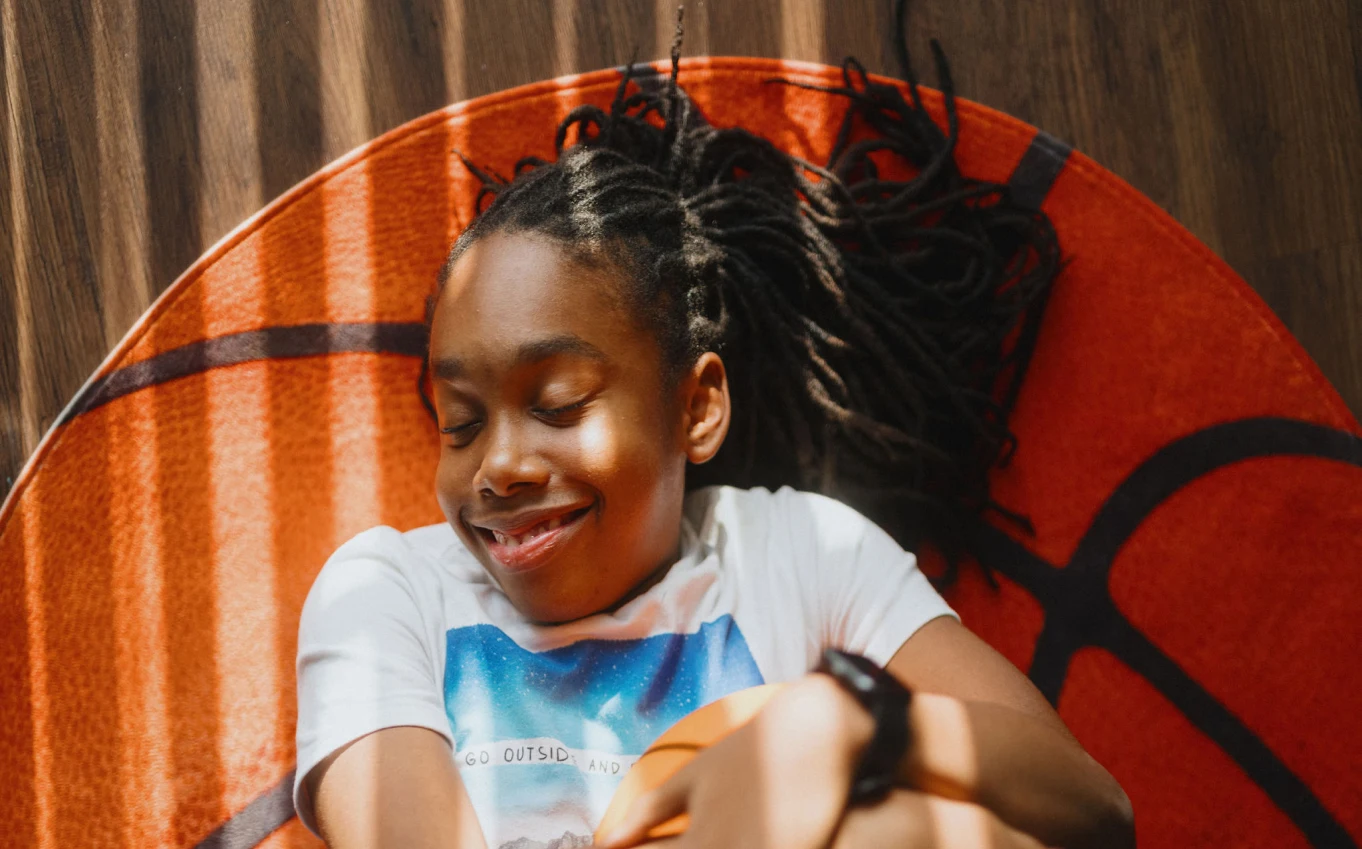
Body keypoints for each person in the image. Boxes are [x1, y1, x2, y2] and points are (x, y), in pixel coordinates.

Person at [292, 28, 1134, 849]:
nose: (498, 467)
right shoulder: (389, 594)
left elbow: (1091, 807)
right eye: (462, 423)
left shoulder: (798, 551)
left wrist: (841, 724)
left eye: (556, 403)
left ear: (697, 408)